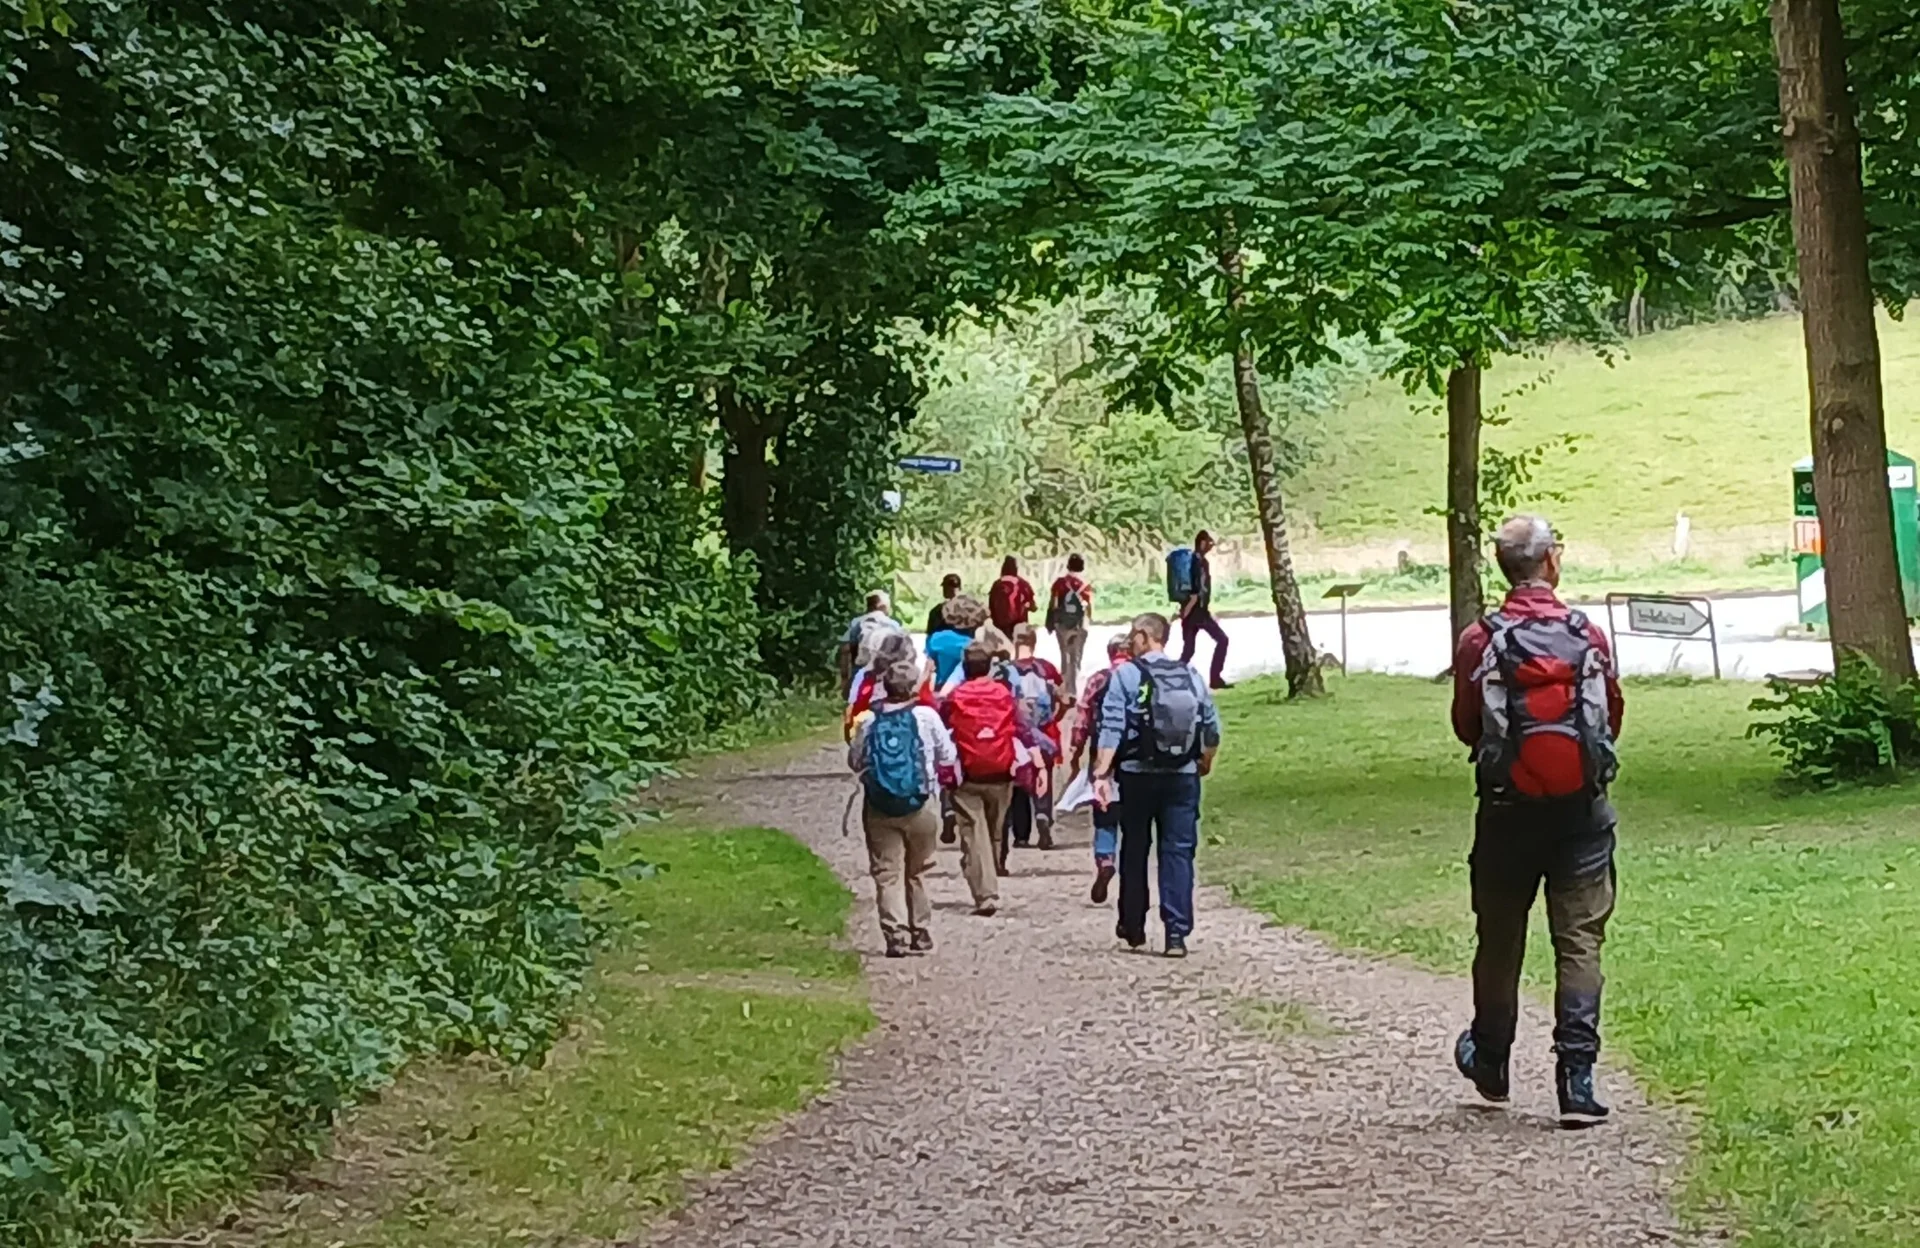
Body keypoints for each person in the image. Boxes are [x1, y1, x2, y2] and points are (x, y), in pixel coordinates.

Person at [1449, 514, 1624, 1127]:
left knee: (1498, 940)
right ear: (1550, 561)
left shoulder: (1480, 639)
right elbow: (1611, 721)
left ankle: (1492, 1058)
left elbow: (1467, 726)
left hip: (1504, 816)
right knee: (1578, 941)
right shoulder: (1588, 634)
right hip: (1582, 814)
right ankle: (1576, 1081)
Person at [1092, 613, 1221, 958]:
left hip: (1136, 775)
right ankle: (1176, 933)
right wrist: (1204, 762)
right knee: (1178, 852)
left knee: (1134, 847)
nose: (1130, 642)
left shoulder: (1127, 676)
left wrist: (1101, 774)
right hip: (1182, 776)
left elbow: (1112, 727)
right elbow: (1211, 727)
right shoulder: (1191, 675)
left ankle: (1133, 926)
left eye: (1134, 635)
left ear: (1146, 636)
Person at [848, 661, 959, 958]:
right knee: (918, 871)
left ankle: (895, 934)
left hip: (879, 806)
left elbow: (855, 761)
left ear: (885, 686)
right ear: (913, 687)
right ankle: (920, 932)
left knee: (887, 873)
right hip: (920, 803)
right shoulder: (926, 716)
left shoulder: (868, 720)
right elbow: (948, 755)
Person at [942, 644, 1023, 916]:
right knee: (994, 830)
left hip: (968, 775)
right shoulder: (1003, 694)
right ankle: (991, 870)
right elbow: (1020, 725)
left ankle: (986, 892)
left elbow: (944, 728)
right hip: (1001, 773)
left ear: (964, 668)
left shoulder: (956, 696)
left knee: (975, 835)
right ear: (989, 667)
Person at [1071, 633, 1133, 903]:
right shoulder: (1138, 677)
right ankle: (1132, 867)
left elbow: (1082, 717)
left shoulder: (1098, 679)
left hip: (1102, 752)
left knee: (1104, 809)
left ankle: (1105, 858)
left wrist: (1076, 752)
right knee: (1132, 812)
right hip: (1134, 754)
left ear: (1110, 653)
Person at [1004, 623, 1064, 853]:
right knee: (1043, 777)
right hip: (1045, 731)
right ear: (1034, 642)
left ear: (1015, 642)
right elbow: (1064, 698)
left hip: (1018, 733)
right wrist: (1056, 718)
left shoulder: (1006, 670)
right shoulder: (1046, 668)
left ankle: (1021, 833)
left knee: (1019, 782)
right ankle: (1043, 814)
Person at [845, 631, 933, 740]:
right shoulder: (908, 678)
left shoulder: (864, 674)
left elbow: (851, 707)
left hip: (866, 732)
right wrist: (925, 677)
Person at [1177, 531, 1231, 690]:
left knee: (1188, 651)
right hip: (1196, 612)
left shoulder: (1197, 561)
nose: (1210, 547)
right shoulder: (1198, 563)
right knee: (1222, 640)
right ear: (1202, 543)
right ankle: (1215, 679)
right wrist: (1186, 612)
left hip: (1196, 611)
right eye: (1209, 543)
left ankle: (1172, 679)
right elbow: (1196, 590)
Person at [1047, 554, 1095, 699]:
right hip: (1079, 624)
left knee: (1064, 653)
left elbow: (1054, 604)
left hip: (1062, 624)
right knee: (1076, 655)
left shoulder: (1059, 583)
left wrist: (1052, 621)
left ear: (1068, 566)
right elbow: (1088, 606)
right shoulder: (1085, 584)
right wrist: (1087, 621)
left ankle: (1064, 684)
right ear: (1082, 566)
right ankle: (1074, 686)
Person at [840, 590, 905, 694]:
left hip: (860, 674)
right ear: (882, 606)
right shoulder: (894, 626)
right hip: (886, 677)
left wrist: (844, 678)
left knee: (857, 706)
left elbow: (845, 649)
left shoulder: (857, 622)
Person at [925, 594, 987, 692]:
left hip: (941, 687)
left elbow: (930, 659)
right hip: (970, 689)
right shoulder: (977, 643)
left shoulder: (937, 639)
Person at [988, 556, 1037, 636]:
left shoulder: (997, 585)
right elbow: (1033, 607)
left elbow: (991, 606)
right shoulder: (1023, 584)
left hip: (1000, 626)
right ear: (1016, 568)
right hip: (1020, 625)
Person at [926, 573, 963, 638]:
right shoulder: (971, 608)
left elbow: (930, 636)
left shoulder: (937, 610)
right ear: (959, 588)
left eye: (946, 587)